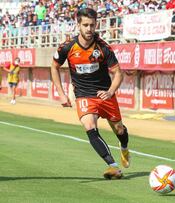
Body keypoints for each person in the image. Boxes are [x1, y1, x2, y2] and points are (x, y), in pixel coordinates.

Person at [51, 8, 130, 180]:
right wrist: (62, 94)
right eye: (85, 25)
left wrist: (110, 92)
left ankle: (124, 147)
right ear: (78, 25)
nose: (89, 29)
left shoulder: (103, 47)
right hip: (84, 95)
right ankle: (113, 166)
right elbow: (54, 66)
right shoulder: (67, 47)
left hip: (105, 94)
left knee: (119, 129)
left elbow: (118, 73)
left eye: (92, 25)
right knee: (89, 127)